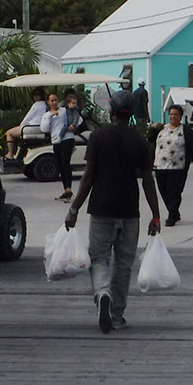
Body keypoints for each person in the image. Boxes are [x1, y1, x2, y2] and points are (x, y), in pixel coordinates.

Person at [65, 91, 161, 334]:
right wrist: (156, 215)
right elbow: (148, 180)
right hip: (130, 212)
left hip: (101, 209)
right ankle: (116, 315)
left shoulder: (98, 136)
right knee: (124, 264)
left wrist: (74, 208)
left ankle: (103, 293)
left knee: (99, 259)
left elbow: (89, 176)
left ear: (111, 111)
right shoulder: (140, 142)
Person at [153, 104, 193, 226]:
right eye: (170, 114)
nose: (172, 116)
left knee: (174, 192)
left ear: (180, 116)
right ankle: (174, 212)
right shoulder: (162, 129)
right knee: (163, 192)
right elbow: (151, 142)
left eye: (175, 114)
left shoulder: (185, 130)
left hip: (178, 167)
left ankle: (171, 216)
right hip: (160, 165)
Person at [41, 92, 81, 202]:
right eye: (52, 100)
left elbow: (76, 116)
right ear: (48, 102)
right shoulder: (46, 115)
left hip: (67, 138)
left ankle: (68, 189)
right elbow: (44, 129)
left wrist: (72, 125)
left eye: (56, 100)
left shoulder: (64, 111)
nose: (54, 102)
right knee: (60, 165)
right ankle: (65, 190)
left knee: (65, 163)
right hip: (56, 140)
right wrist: (51, 117)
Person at [5, 87, 47, 159]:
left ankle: (10, 154)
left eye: (38, 95)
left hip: (32, 128)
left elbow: (28, 117)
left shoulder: (37, 105)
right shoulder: (45, 104)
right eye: (35, 95)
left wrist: (21, 125)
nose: (36, 97)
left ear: (41, 96)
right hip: (39, 127)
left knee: (9, 133)